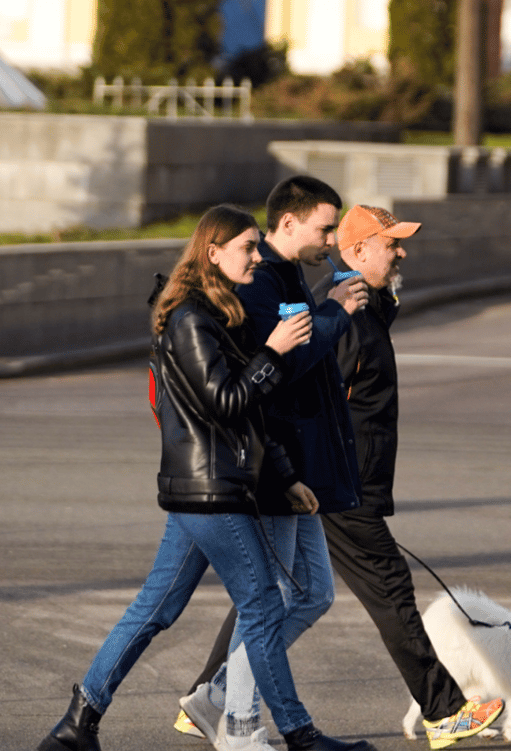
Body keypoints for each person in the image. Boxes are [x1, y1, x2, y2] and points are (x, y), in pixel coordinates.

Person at [37, 204, 375, 751]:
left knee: (156, 609)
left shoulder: (219, 313)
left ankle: (78, 724)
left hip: (206, 487)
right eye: (247, 247)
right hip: (211, 491)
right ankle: (299, 735)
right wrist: (274, 351)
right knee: (263, 607)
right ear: (213, 252)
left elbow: (251, 415)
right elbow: (227, 402)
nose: (256, 255)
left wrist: (286, 477)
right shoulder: (190, 319)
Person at [176, 203, 504, 751]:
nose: (401, 252)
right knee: (387, 588)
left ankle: (208, 696)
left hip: (340, 481)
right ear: (355, 251)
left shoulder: (366, 306)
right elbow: (307, 390)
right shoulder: (341, 315)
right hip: (336, 484)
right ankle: (443, 712)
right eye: (390, 243)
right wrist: (309, 474)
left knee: (275, 592)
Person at [176, 177, 372, 751]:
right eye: (325, 228)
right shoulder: (261, 283)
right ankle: (238, 720)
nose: (331, 239)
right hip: (274, 465)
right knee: (271, 600)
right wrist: (333, 315)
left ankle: (216, 694)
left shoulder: (287, 278)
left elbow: (308, 367)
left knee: (311, 595)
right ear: (288, 223)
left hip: (300, 466)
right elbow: (277, 370)